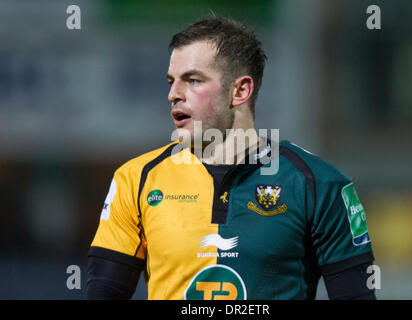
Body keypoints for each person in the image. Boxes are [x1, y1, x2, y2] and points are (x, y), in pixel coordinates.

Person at [86, 16, 376, 300]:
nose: (173, 94)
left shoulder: (319, 184)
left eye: (193, 80)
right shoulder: (136, 179)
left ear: (240, 90)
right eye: (172, 81)